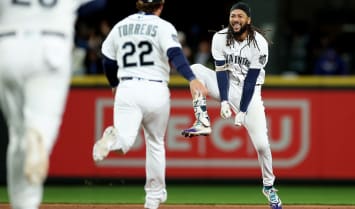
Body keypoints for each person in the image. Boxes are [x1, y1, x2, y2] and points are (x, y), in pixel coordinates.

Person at [91, 0, 208, 209]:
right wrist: (191, 78)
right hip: (155, 89)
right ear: (161, 6)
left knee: (124, 142)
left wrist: (114, 83)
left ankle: (111, 140)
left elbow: (107, 59)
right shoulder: (163, 27)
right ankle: (153, 199)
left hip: (127, 88)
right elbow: (175, 55)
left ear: (139, 4)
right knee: (155, 143)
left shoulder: (121, 26)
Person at [0, 1, 106, 209]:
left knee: (17, 135)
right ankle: (38, 136)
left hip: (7, 46)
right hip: (51, 45)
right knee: (42, 124)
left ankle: (23, 201)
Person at [181, 2, 283, 209]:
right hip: (225, 85)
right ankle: (202, 120)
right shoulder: (220, 37)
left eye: (240, 16)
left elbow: (251, 80)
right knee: (195, 69)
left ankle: (269, 187)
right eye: (232, 16)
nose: (235, 19)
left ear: (248, 20)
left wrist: (243, 111)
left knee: (262, 145)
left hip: (250, 94)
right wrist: (225, 101)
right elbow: (220, 71)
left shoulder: (259, 43)